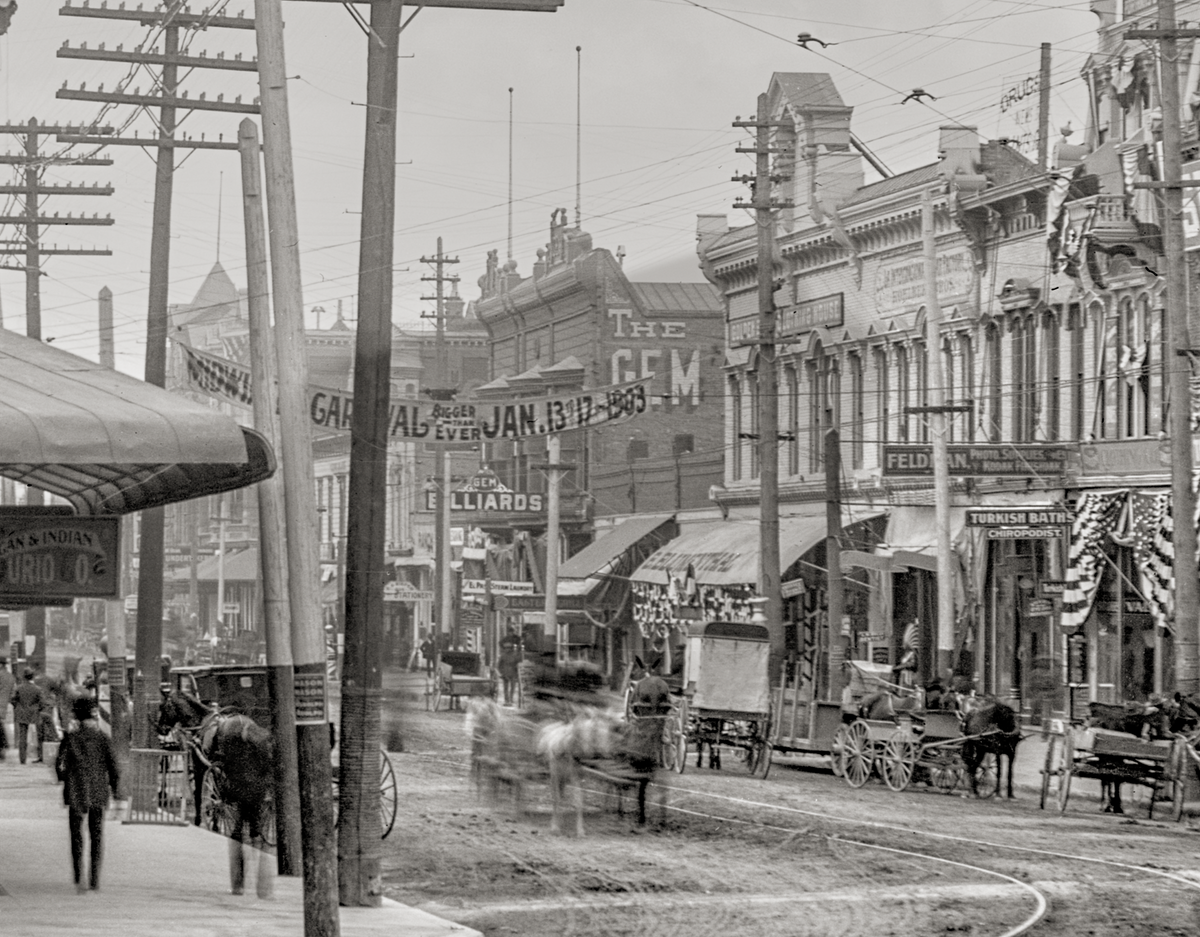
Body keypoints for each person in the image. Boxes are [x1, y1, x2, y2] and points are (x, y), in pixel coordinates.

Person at [55, 696, 120, 893]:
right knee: (97, 834)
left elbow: (59, 765)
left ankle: (78, 876)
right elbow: (113, 768)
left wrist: (65, 778)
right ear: (93, 717)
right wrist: (116, 792)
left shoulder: (70, 738)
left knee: (76, 835)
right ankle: (94, 879)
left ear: (77, 718)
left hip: (75, 791)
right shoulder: (103, 739)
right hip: (98, 791)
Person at [12, 668, 44, 764]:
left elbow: (13, 699)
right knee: (38, 735)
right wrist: (37, 709)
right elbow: (42, 703)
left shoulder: (18, 688)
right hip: (34, 714)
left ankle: (22, 759)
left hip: (21, 714)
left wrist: (17, 707)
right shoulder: (38, 689)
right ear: (32, 676)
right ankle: (40, 756)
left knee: (22, 737)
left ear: (24, 677)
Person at [498, 629, 522, 706]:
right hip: (507, 673)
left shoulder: (514, 655)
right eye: (506, 648)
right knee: (507, 688)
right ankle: (507, 700)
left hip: (512, 673)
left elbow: (518, 663)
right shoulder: (504, 655)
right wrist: (501, 672)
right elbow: (499, 665)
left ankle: (510, 700)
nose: (507, 649)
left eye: (509, 648)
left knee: (511, 688)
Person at [0, 659, 13, 760]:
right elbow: (12, 693)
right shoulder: (10, 676)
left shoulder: (0, 675)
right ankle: (4, 746)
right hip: (4, 705)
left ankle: (3, 746)